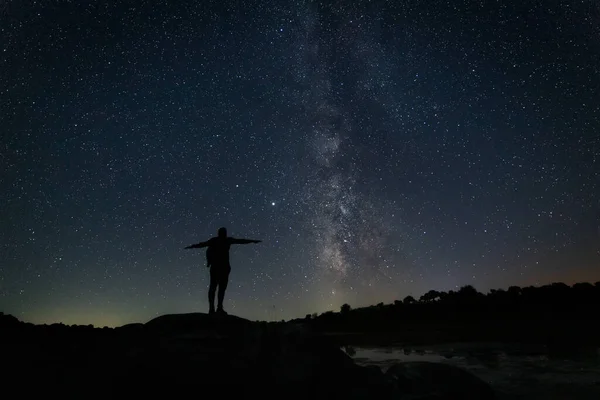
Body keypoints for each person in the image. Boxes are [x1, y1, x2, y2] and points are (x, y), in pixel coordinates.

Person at [185, 227, 261, 315]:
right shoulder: (222, 240)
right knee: (216, 288)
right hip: (220, 267)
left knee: (219, 288)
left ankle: (216, 308)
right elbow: (241, 241)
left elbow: (241, 241)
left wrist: (252, 241)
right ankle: (214, 308)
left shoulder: (218, 240)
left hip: (222, 267)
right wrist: (252, 241)